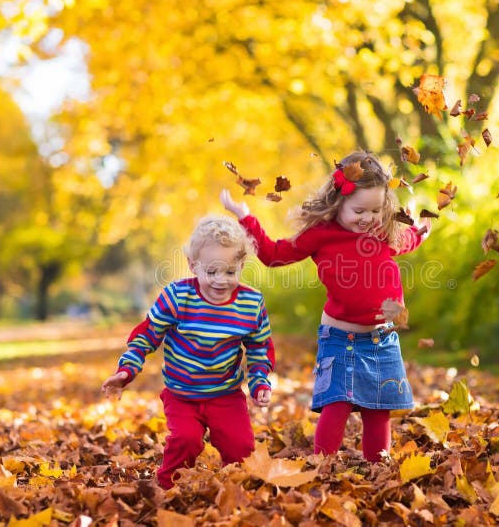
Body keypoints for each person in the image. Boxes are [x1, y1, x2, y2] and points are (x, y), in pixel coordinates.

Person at [221, 150, 430, 462]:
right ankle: (322, 465)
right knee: (337, 405)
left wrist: (422, 230)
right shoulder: (322, 234)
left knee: (379, 408)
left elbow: (408, 239)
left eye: (375, 210)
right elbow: (274, 254)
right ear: (338, 202)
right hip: (340, 339)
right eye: (359, 210)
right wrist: (246, 217)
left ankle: (377, 466)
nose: (368, 218)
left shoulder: (383, 231)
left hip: (382, 339)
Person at [101, 215, 275, 489]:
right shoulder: (177, 296)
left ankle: (235, 491)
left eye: (230, 272)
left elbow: (259, 348)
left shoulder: (250, 303)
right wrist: (126, 371)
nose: (221, 280)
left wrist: (259, 382)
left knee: (241, 447)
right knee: (186, 440)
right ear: (194, 266)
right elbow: (147, 334)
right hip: (182, 394)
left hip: (226, 394)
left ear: (241, 266)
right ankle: (168, 488)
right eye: (212, 272)